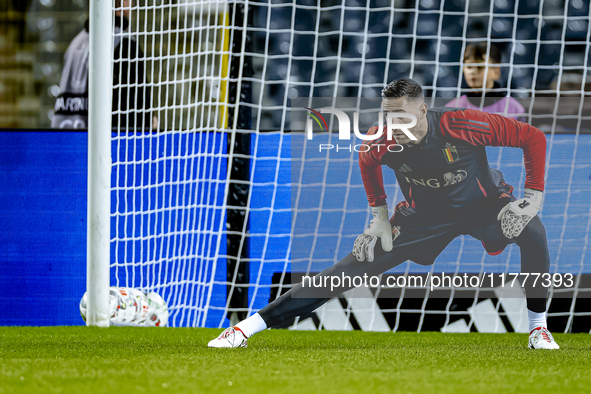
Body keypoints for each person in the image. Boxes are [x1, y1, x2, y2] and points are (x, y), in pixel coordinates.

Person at [208, 78, 559, 350]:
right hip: (423, 219)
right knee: (347, 269)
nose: (396, 125)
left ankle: (537, 329)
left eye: (403, 117)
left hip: (484, 207)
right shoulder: (381, 141)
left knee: (534, 231)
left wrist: (532, 197)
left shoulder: (461, 123)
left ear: (422, 111)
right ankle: (243, 329)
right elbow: (368, 165)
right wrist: (377, 217)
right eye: (390, 117)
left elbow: (532, 137)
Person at [52, 0, 156, 130]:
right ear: (121, 3)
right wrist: (150, 122)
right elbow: (136, 115)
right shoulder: (126, 45)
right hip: (107, 144)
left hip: (68, 141)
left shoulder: (75, 44)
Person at [446, 43, 525, 119]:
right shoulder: (451, 109)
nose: (473, 72)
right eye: (469, 67)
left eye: (480, 67)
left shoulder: (514, 109)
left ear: (496, 71)